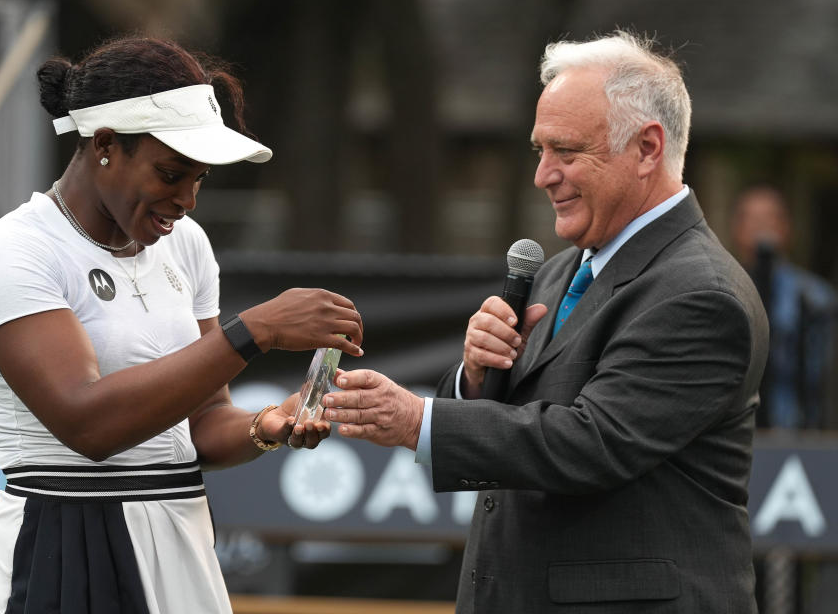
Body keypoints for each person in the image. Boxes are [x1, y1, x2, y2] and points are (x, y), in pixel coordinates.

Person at [321, 31, 769, 612]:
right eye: (540, 150)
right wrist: (477, 378)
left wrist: (418, 420)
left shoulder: (701, 294)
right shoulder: (560, 270)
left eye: (567, 151)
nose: (543, 175)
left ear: (648, 148)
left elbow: (591, 443)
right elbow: (524, 420)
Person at [0, 36, 363, 614]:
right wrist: (253, 331)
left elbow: (203, 423)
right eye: (170, 173)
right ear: (107, 145)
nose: (187, 198)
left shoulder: (185, 245)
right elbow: (89, 425)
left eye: (200, 178)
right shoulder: (12, 252)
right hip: (57, 548)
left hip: (180, 549)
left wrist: (268, 425)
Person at [730, 184, 837, 429]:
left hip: (799, 430)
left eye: (769, 218)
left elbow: (824, 378)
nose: (760, 228)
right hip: (736, 431)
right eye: (752, 219)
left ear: (786, 227)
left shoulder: (815, 297)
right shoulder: (718, 291)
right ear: (736, 228)